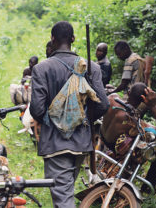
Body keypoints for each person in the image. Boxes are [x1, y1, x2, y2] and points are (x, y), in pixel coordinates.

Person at [30, 21, 109, 208]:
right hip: (82, 142)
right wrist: (81, 119)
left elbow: (37, 110)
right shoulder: (90, 67)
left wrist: (57, 120)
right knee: (65, 191)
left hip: (56, 143)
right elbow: (103, 104)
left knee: (64, 198)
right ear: (73, 39)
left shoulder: (41, 69)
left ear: (52, 39)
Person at [101, 82, 156, 192]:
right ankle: (148, 187)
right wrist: (154, 106)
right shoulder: (132, 121)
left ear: (128, 92)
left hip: (104, 138)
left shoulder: (112, 99)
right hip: (117, 147)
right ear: (144, 101)